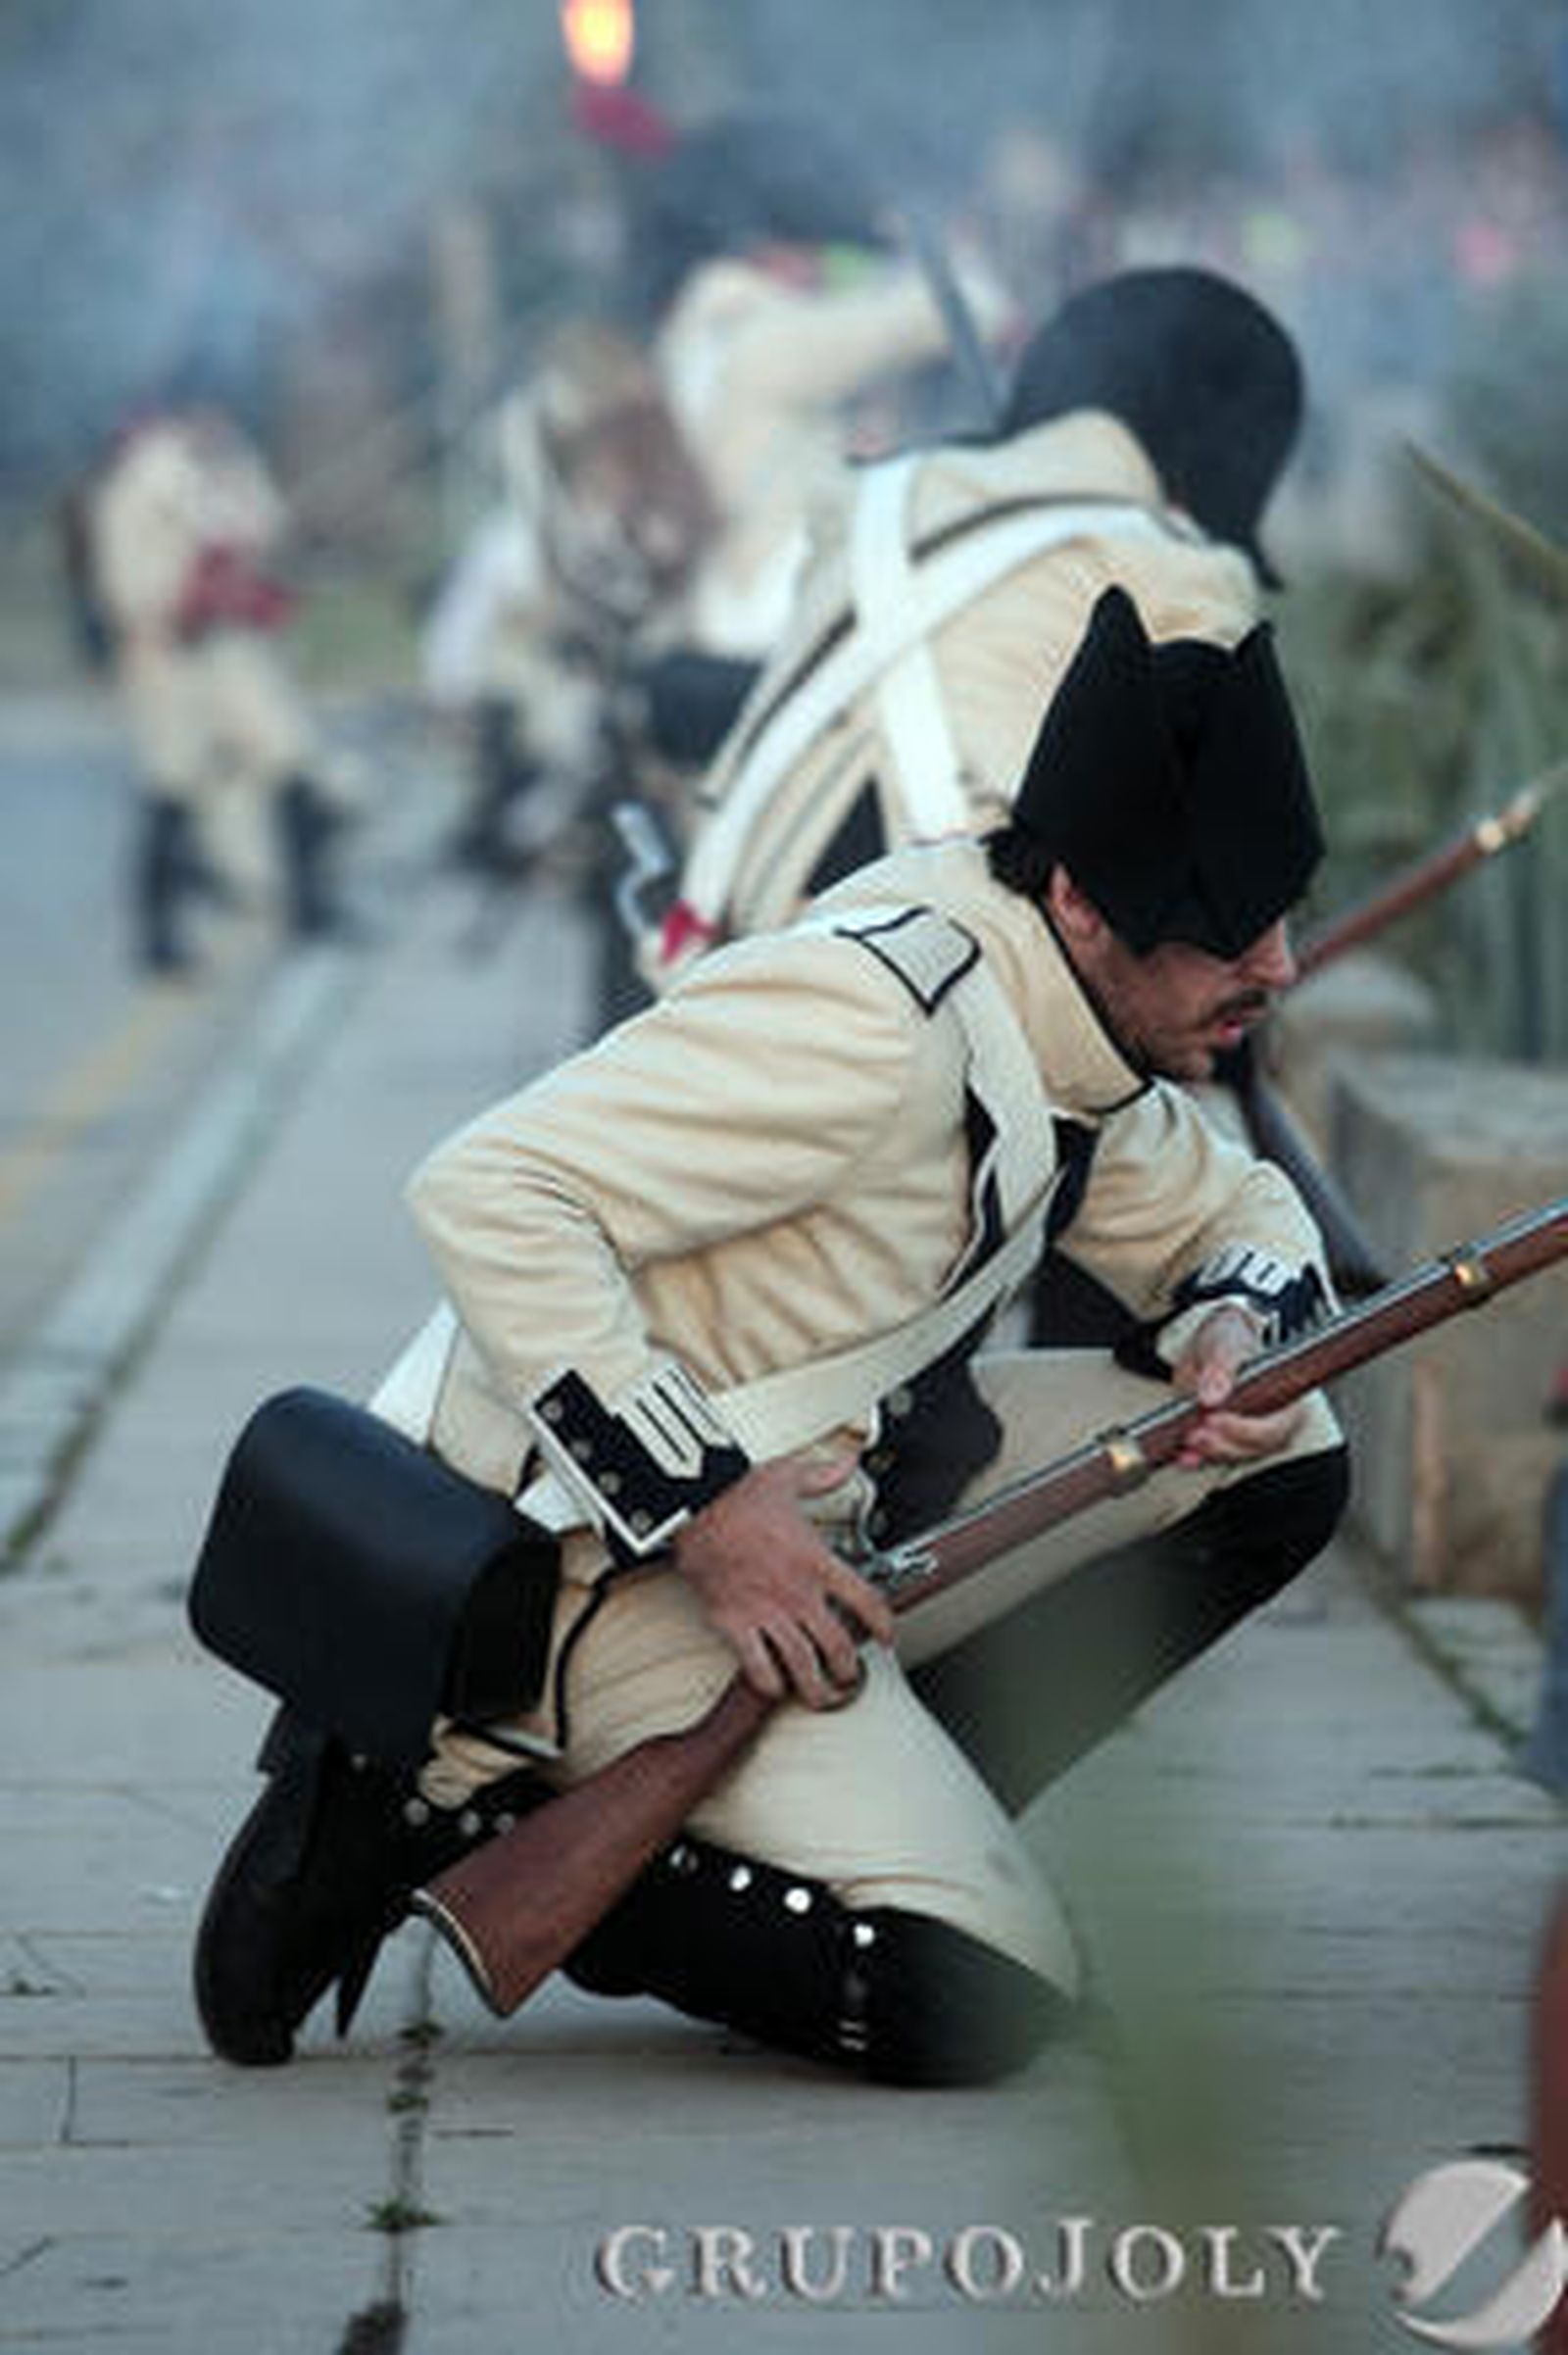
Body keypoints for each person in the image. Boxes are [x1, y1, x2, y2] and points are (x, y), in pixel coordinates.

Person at [192, 586, 1349, 2087]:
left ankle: (882, 1811)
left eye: (1279, 914)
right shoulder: (874, 1020)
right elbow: (489, 1185)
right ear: (1080, 899)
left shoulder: (1080, 1010)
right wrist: (711, 1509)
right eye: (1225, 927)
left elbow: (1224, 1203)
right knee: (974, 2002)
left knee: (1285, 1454)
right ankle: (464, 1800)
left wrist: (1233, 1323)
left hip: (837, 1521)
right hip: (602, 1578)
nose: (1277, 966)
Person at [641, 265, 1302, 981]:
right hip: (960, 1016)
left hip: (734, 963)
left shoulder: (874, 502)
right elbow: (1216, 903)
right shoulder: (1189, 575)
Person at [87, 401, 351, 972]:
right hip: (168, 653)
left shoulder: (231, 472)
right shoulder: (134, 489)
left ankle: (310, 907)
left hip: (231, 646)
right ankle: (159, 936)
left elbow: (266, 535)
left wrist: (252, 570)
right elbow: (127, 584)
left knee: (290, 759)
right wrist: (181, 592)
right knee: (173, 785)